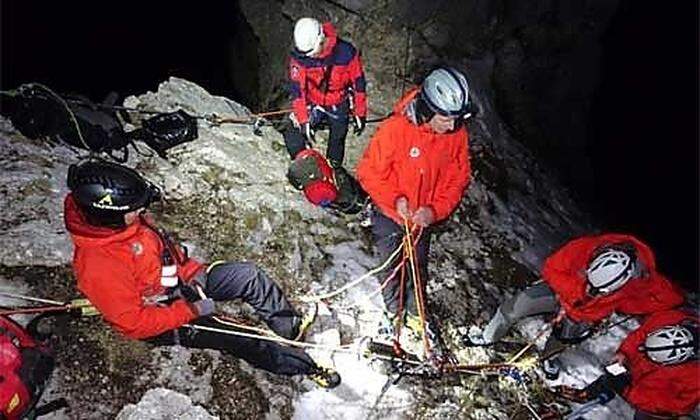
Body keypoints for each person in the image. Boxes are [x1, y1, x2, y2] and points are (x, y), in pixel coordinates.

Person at [63, 160, 340, 388]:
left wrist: (192, 272)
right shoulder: (99, 265)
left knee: (249, 276)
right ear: (107, 214)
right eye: (134, 210)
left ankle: (288, 327)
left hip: (184, 281)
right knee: (239, 336)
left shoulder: (121, 224)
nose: (141, 211)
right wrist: (191, 310)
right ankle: (304, 366)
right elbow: (135, 323)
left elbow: (162, 253)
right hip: (165, 315)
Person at [463, 233, 686, 380]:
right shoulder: (586, 247)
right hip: (559, 292)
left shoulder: (642, 279)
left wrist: (627, 306)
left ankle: (547, 359)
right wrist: (573, 294)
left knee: (562, 340)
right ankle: (488, 336)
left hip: (586, 314)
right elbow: (552, 268)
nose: (595, 290)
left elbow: (668, 298)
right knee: (515, 307)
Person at [356, 67, 472, 347]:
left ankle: (415, 311)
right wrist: (396, 199)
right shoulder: (396, 130)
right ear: (427, 108)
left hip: (421, 219)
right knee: (391, 266)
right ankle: (392, 312)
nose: (451, 126)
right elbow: (368, 172)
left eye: (456, 119)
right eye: (445, 118)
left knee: (417, 266)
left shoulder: (456, 135)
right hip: (390, 213)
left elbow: (458, 179)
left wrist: (434, 210)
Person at [557, 309, 699, 419]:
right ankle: (588, 394)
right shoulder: (671, 318)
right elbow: (641, 334)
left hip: (653, 402)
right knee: (613, 375)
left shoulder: (695, 378)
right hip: (637, 369)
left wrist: (629, 392)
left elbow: (675, 405)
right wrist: (624, 353)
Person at [284, 17, 367, 169]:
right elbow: (298, 91)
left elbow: (359, 84)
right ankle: (306, 167)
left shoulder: (345, 53)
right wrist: (303, 121)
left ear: (321, 40)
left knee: (338, 136)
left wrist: (359, 112)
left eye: (312, 53)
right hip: (313, 100)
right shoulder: (300, 58)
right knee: (292, 132)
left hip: (338, 101)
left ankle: (333, 167)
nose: (310, 58)